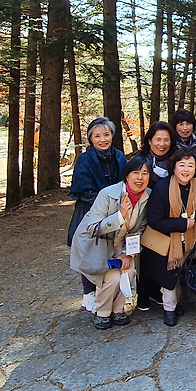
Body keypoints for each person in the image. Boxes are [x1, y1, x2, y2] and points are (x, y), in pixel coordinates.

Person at [70, 159, 152, 329]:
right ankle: (102, 312)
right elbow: (92, 228)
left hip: (120, 244)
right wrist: (120, 215)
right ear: (126, 176)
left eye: (145, 173)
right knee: (112, 277)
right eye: (135, 173)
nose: (140, 178)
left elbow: (141, 229)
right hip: (96, 244)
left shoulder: (148, 196)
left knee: (129, 270)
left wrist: (128, 253)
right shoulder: (107, 194)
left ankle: (117, 309)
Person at [142, 147, 196, 326]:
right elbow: (155, 220)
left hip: (192, 239)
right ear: (173, 167)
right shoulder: (162, 188)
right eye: (181, 165)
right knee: (170, 276)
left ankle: (182, 301)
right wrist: (182, 224)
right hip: (167, 241)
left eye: (190, 165)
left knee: (186, 271)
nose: (186, 169)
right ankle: (169, 309)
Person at [66, 117, 127, 313]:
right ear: (90, 139)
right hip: (90, 210)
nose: (103, 139)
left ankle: (109, 292)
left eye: (106, 135)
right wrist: (105, 204)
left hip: (116, 210)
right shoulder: (84, 160)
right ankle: (88, 293)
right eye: (97, 136)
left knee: (111, 249)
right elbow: (84, 189)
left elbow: (125, 182)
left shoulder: (119, 156)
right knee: (89, 250)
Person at [134, 121, 176, 311]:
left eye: (166, 140)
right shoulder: (140, 160)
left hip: (167, 214)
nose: (162, 144)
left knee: (161, 253)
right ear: (149, 141)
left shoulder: (175, 159)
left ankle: (157, 291)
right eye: (158, 139)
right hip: (143, 212)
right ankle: (143, 294)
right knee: (145, 253)